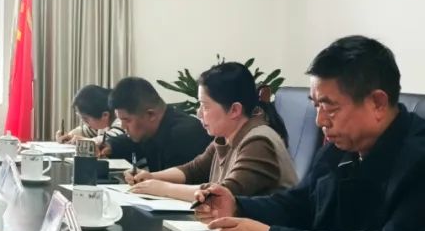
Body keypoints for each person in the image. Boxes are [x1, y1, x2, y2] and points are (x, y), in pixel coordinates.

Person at [195, 36, 425, 231]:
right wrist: (238, 205)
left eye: (330, 107)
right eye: (316, 106)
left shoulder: (418, 159)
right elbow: (300, 203)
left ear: (377, 103)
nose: (320, 121)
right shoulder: (338, 150)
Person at [128, 63, 298, 200]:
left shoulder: (259, 142)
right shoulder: (227, 136)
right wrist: (151, 177)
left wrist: (164, 189)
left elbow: (223, 194)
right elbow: (193, 170)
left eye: (205, 106)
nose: (199, 113)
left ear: (234, 110)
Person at [105, 77, 211, 173]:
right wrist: (109, 145)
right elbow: (130, 143)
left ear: (150, 115)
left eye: (127, 120)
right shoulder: (151, 130)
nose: (123, 126)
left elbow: (175, 184)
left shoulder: (185, 135)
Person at [55, 84, 125, 145]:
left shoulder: (122, 120)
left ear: (105, 115)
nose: (86, 124)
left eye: (86, 119)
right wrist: (67, 136)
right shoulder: (102, 123)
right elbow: (82, 131)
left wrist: (84, 141)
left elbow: (110, 141)